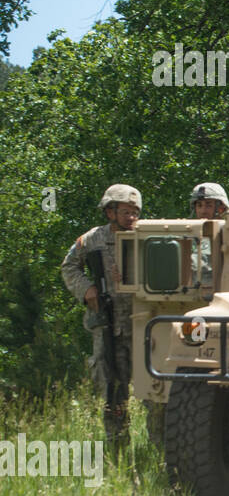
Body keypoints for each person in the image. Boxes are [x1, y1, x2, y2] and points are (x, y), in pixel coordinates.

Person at [61, 184, 141, 457]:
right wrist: (86, 290)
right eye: (125, 212)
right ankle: (117, 451)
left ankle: (163, 451)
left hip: (143, 326)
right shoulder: (92, 239)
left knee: (157, 396)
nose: (131, 217)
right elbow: (69, 265)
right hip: (108, 327)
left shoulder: (148, 236)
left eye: (135, 212)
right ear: (110, 212)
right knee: (112, 391)